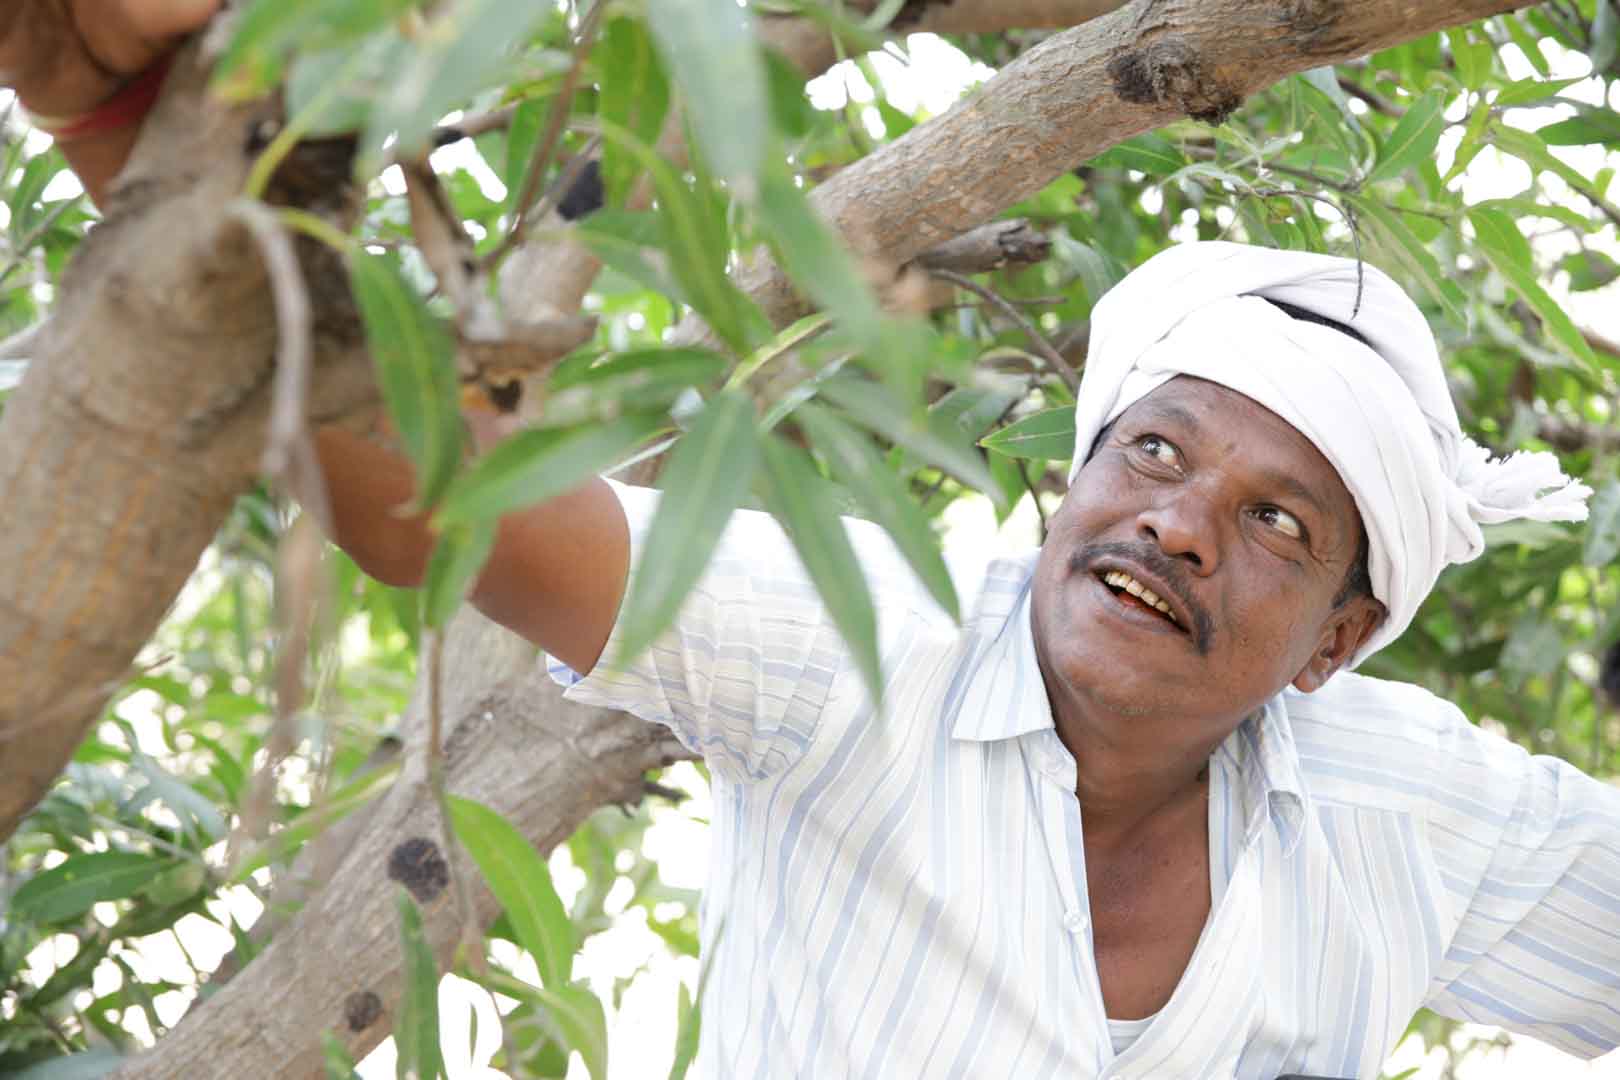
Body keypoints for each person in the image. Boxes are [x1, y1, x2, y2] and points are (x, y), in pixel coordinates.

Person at [8, 5, 1619, 1078]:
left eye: (1275, 520)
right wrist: (131, 121)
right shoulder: (867, 651)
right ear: (1072, 485)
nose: (1179, 525)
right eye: (1152, 450)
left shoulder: (1415, 812)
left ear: (1337, 638)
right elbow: (444, 498)